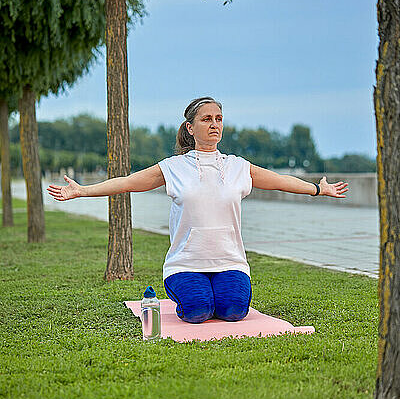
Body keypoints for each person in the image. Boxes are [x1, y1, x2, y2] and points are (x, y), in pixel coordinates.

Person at [47, 97, 348, 324]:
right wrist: (82, 191)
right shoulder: (173, 168)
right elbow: (127, 182)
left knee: (233, 311)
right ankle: (192, 293)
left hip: (230, 260)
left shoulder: (238, 167)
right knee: (197, 311)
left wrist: (319, 189)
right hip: (185, 263)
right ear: (191, 128)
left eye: (218, 118)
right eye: (206, 119)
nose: (214, 124)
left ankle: (218, 292)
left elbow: (281, 181)